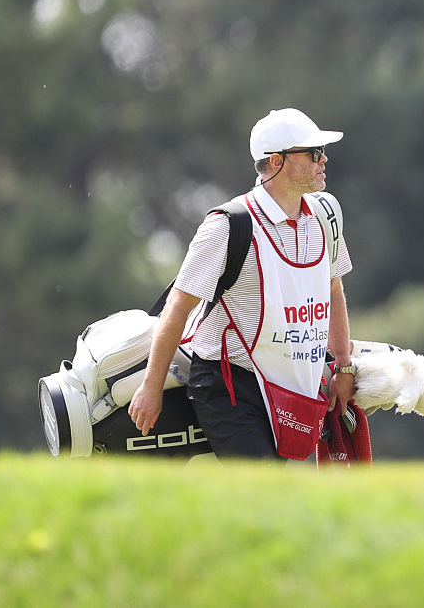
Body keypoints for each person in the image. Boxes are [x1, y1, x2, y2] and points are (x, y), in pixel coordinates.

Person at [129, 108, 357, 461]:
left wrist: (342, 366)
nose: (323, 159)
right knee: (268, 493)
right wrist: (150, 386)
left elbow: (333, 291)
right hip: (230, 385)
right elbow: (178, 306)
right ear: (277, 161)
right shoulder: (228, 225)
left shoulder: (325, 217)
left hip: (290, 386)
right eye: (313, 153)